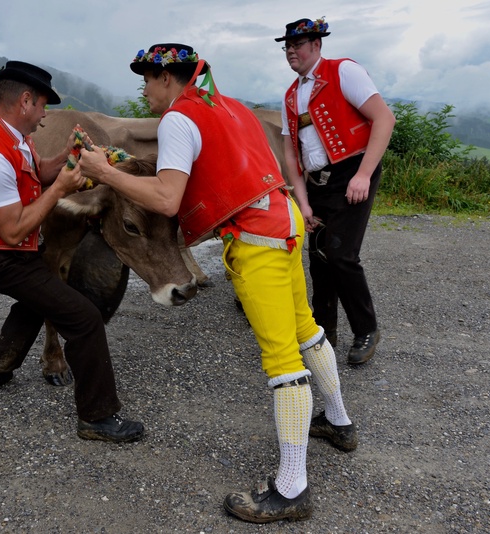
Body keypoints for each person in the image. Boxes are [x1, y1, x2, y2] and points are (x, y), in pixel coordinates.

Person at [78, 43, 357, 524]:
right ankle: (338, 422)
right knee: (306, 329)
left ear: (168, 78)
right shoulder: (230, 107)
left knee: (281, 360)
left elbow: (166, 199)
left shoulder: (177, 119)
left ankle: (292, 489)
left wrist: (104, 172)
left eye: (147, 80)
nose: (144, 91)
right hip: (284, 218)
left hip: (256, 238)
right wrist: (122, 161)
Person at [0, 60, 143, 443]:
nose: (44, 114)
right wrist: (61, 190)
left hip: (11, 252)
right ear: (25, 101)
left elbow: (38, 172)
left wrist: (69, 154)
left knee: (36, 303)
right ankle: (97, 417)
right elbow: (12, 231)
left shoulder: (10, 133)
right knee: (84, 319)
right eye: (42, 105)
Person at [277, 18, 395, 365]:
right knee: (318, 258)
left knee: (341, 255)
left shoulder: (343, 71)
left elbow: (384, 119)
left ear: (316, 45)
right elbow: (290, 154)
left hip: (352, 173)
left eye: (297, 45)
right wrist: (302, 202)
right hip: (316, 182)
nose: (291, 51)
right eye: (287, 46)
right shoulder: (290, 95)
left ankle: (366, 329)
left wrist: (363, 175)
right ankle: (323, 333)